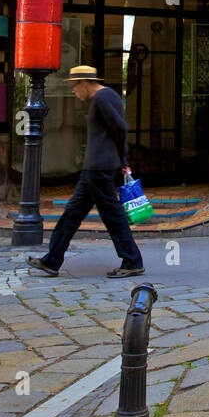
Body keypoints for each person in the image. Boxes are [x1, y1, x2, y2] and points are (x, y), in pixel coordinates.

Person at [28, 65, 145, 279]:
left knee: (112, 216)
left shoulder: (102, 98)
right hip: (96, 168)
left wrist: (122, 158)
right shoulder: (108, 97)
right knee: (72, 215)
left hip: (99, 168)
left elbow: (119, 128)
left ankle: (132, 261)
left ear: (84, 83)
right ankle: (52, 261)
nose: (73, 91)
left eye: (74, 86)